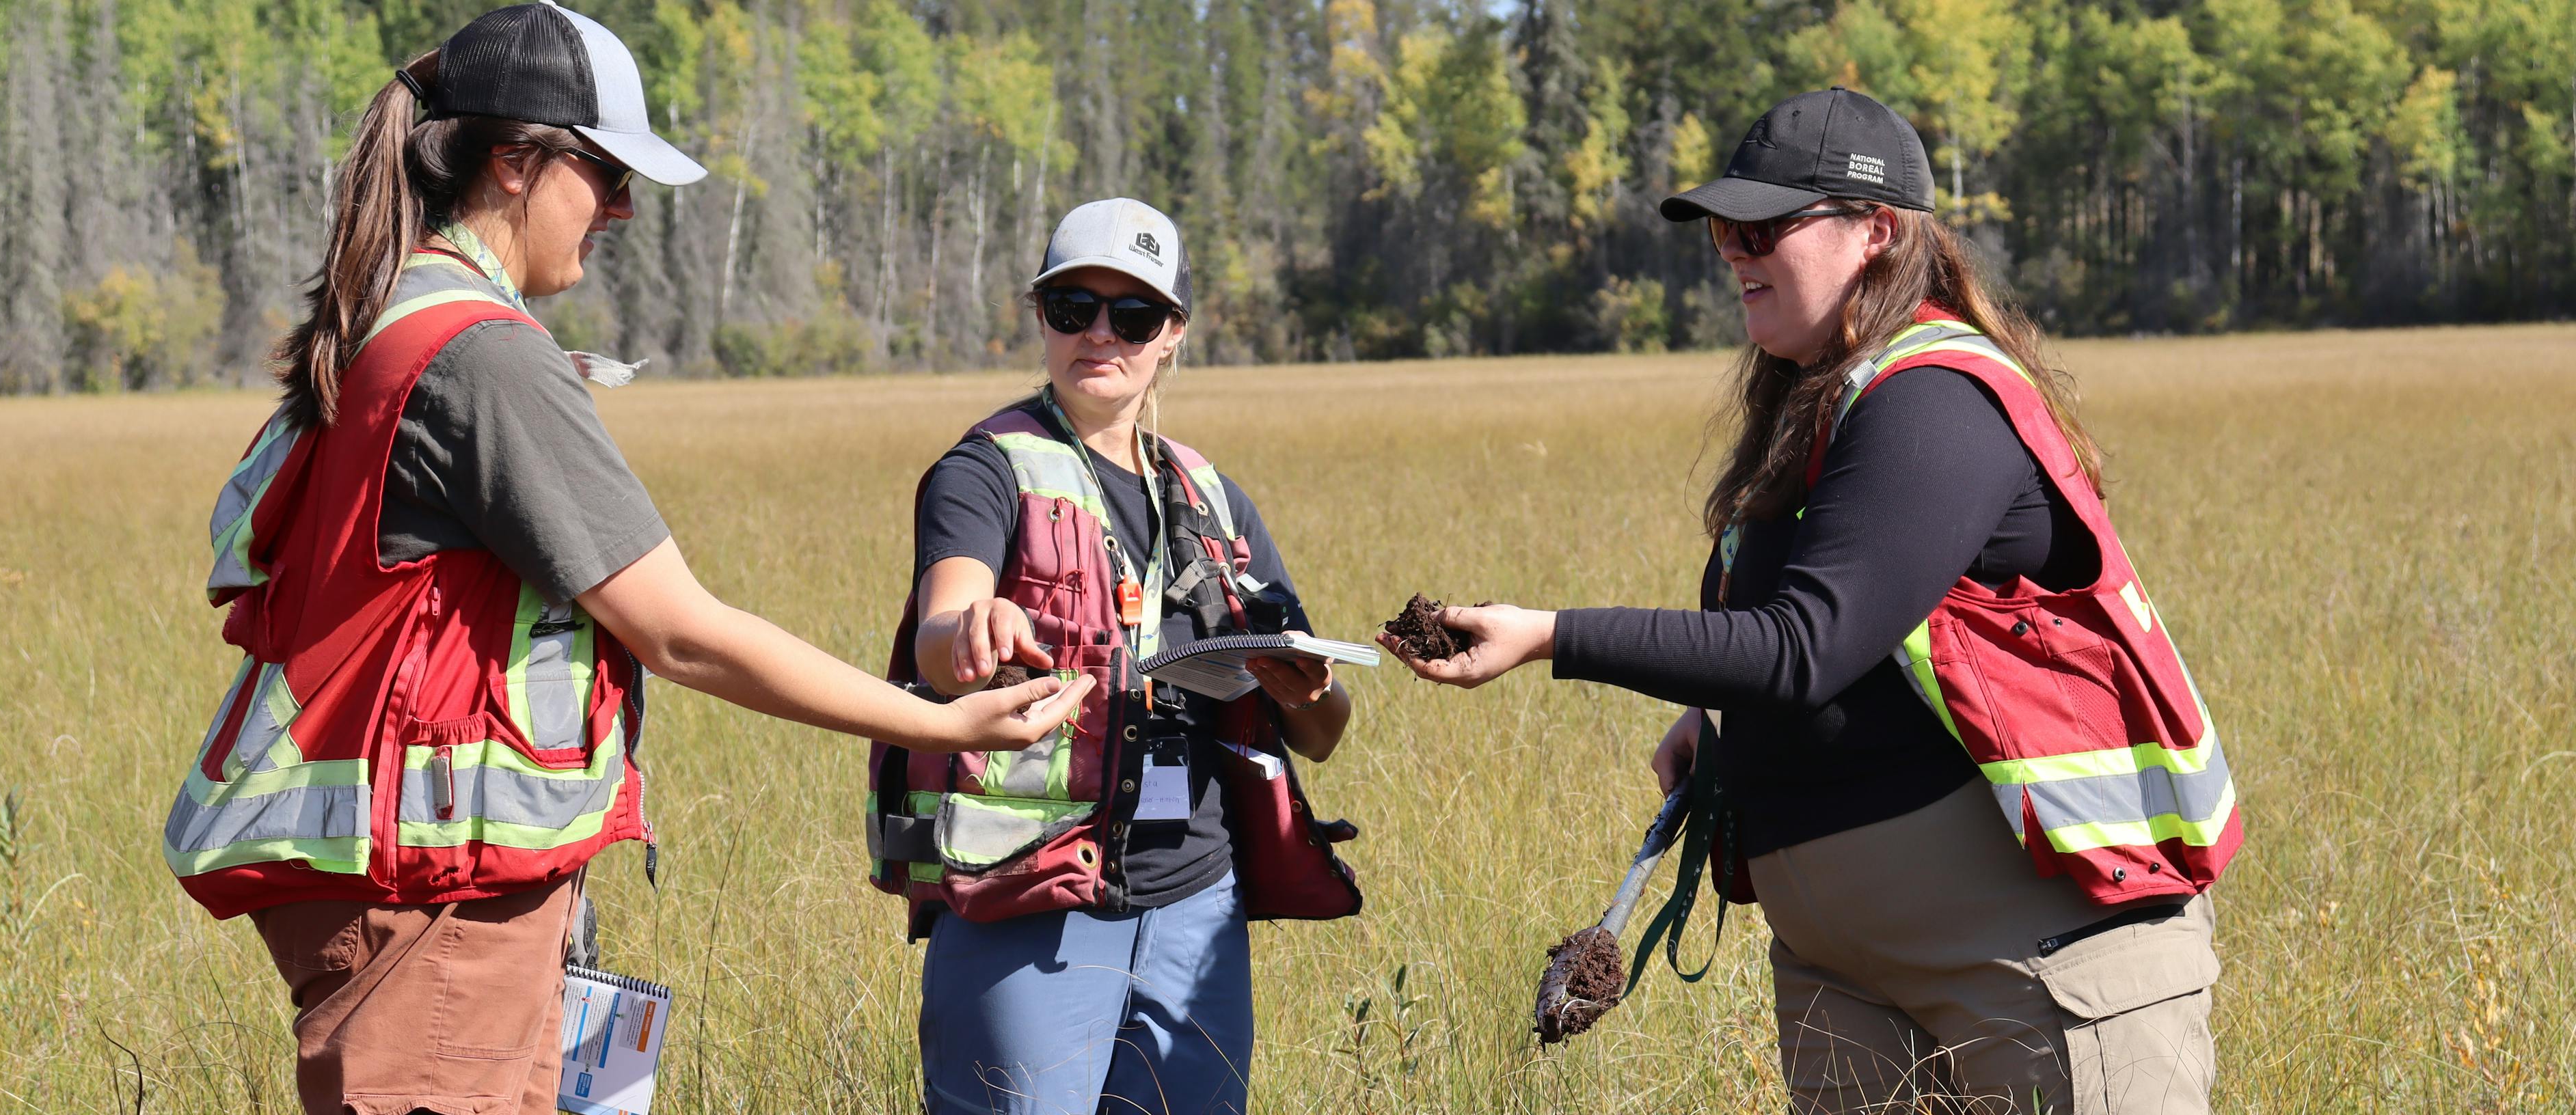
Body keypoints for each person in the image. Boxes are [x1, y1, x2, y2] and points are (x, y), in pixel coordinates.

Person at [160, 8, 1091, 1114]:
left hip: (423, 898)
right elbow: (681, 631)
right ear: (514, 163)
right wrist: (944, 724)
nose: (622, 209)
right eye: (605, 174)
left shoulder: (393, 320)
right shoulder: (480, 355)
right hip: (437, 914)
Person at [1379, 88, 2238, 1114]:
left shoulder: (1936, 397)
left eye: (1762, 229)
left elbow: (1805, 647)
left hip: (2041, 958)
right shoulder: (1824, 401)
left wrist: (1549, 637)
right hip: (1850, 981)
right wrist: (1722, 721)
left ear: (1876, 231)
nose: (1733, 254)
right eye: (1721, 234)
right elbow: (1853, 631)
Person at [863, 197, 1364, 1115]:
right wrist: (972, 631)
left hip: (1197, 908)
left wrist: (1307, 689)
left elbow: (1324, 732)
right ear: (1041, 317)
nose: (1100, 334)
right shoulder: (986, 470)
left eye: (1132, 315)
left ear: (1173, 334)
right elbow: (943, 630)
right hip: (1029, 899)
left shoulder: (1213, 498)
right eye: (1073, 308)